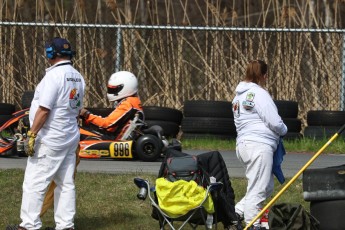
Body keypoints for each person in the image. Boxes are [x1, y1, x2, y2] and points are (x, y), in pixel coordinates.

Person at [7, 37, 85, 230]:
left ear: (51, 53)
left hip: (50, 138)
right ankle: (65, 225)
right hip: (69, 137)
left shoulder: (53, 76)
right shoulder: (77, 76)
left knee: (34, 183)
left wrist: (32, 134)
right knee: (65, 184)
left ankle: (29, 225)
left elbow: (44, 109)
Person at [231, 60, 287, 230]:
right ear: (264, 76)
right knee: (258, 188)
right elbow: (275, 122)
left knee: (266, 186)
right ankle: (252, 224)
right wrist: (284, 129)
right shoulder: (260, 94)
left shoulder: (238, 97)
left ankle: (236, 212)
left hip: (244, 145)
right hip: (259, 146)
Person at [79, 71, 144, 140]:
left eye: (114, 89)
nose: (111, 91)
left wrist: (86, 114)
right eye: (110, 89)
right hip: (111, 135)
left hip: (110, 139)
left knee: (73, 131)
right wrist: (86, 118)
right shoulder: (134, 102)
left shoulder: (128, 104)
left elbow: (107, 123)